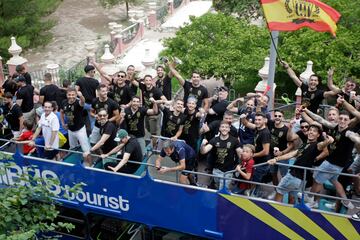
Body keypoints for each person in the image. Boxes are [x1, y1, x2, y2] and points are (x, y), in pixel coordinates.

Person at [267, 124, 333, 203]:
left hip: (293, 176)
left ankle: (274, 212)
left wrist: (328, 141)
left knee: (279, 194)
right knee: (292, 198)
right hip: (300, 179)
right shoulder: (305, 144)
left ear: (318, 135)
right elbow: (292, 154)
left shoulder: (316, 145)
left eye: (314, 131)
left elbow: (322, 145)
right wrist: (276, 159)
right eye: (310, 130)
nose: (311, 132)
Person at [200, 121, 242, 190]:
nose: (224, 129)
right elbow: (203, 151)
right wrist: (202, 145)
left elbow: (240, 155)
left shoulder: (234, 141)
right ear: (219, 128)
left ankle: (221, 200)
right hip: (216, 170)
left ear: (229, 129)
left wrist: (239, 164)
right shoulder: (214, 140)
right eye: (222, 127)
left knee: (222, 190)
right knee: (218, 187)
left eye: (226, 127)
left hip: (228, 171)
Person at [240, 112, 271, 195]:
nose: (257, 121)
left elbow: (266, 151)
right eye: (256, 120)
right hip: (257, 161)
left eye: (259, 120)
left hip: (262, 163)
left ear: (264, 121)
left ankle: (252, 195)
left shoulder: (265, 133)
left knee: (255, 179)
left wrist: (252, 155)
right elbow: (246, 123)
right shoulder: (258, 128)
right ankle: (252, 192)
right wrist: (243, 117)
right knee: (254, 178)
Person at [60, 88, 90, 152]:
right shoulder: (64, 102)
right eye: (69, 95)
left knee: (86, 149)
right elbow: (62, 112)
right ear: (66, 95)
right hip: (70, 129)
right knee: (73, 148)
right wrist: (62, 123)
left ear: (76, 95)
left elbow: (83, 102)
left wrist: (81, 96)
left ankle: (89, 162)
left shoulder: (78, 103)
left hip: (80, 129)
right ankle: (75, 161)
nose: (71, 96)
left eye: (73, 95)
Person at [75, 65, 100, 129]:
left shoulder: (79, 80)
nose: (94, 73)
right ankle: (92, 136)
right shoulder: (95, 82)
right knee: (92, 121)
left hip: (82, 103)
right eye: (94, 71)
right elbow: (97, 95)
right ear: (90, 72)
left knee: (79, 118)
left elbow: (75, 91)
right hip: (91, 105)